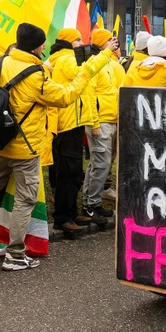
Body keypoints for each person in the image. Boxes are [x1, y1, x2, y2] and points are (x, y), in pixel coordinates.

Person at [0, 23, 115, 270]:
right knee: (25, 198)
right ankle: (16, 253)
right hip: (25, 145)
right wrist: (86, 72)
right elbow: (64, 96)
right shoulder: (35, 73)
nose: (45, 47)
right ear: (36, 46)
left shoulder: (1, 62)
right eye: (42, 43)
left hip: (0, 140)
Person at [47, 27, 96, 234]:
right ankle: (62, 217)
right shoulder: (67, 59)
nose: (81, 42)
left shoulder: (65, 57)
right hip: (68, 124)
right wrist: (98, 58)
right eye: (77, 39)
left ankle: (71, 212)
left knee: (73, 171)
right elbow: (83, 74)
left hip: (72, 122)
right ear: (68, 42)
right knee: (68, 171)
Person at [82, 28, 122, 220]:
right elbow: (89, 97)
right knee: (101, 164)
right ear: (102, 44)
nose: (114, 43)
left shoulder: (106, 63)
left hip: (108, 120)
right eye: (110, 41)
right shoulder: (94, 64)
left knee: (97, 164)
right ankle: (92, 205)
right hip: (100, 122)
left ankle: (89, 203)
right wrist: (94, 123)